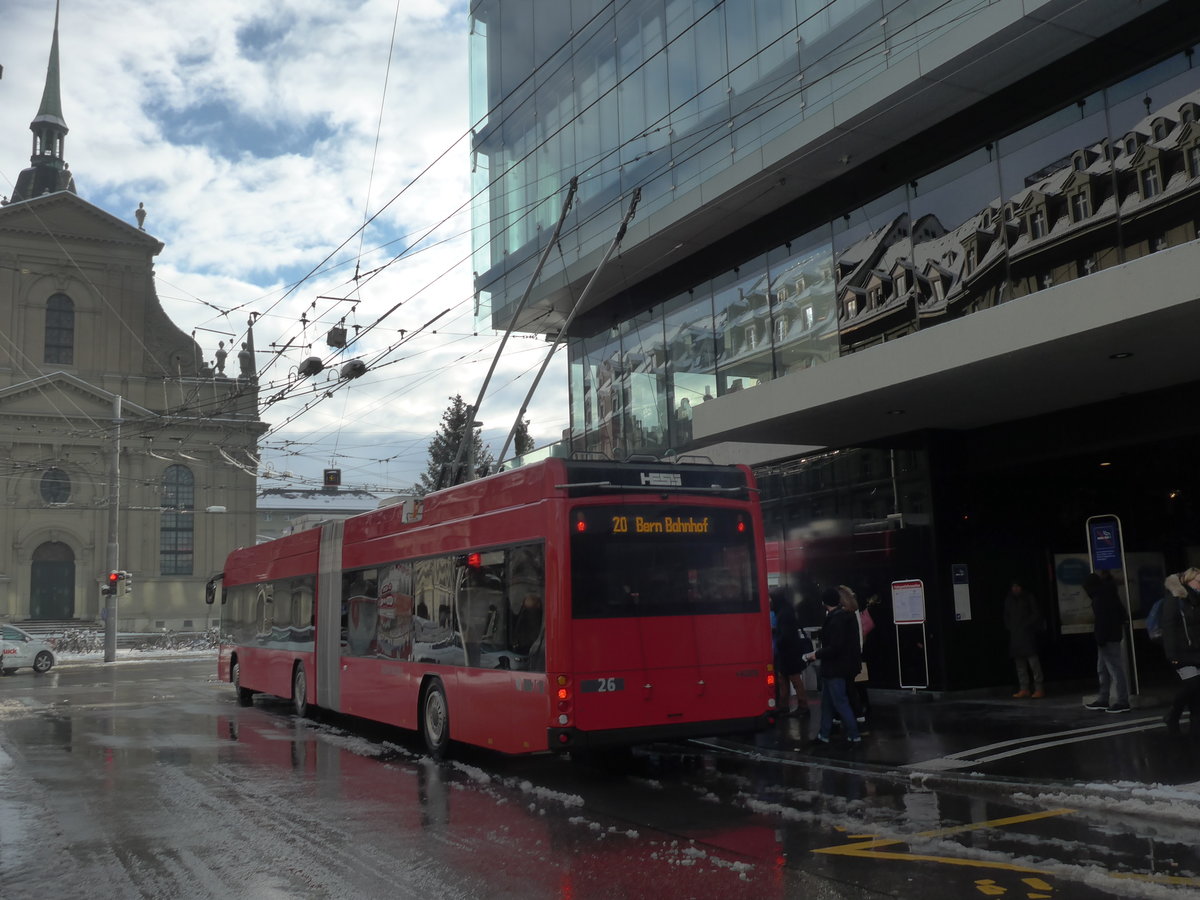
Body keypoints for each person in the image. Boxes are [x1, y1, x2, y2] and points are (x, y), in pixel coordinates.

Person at [803, 587, 862, 744]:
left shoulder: (836, 619)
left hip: (834, 668)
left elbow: (835, 647)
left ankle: (854, 735)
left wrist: (816, 654)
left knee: (840, 703)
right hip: (836, 668)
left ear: (824, 602)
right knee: (827, 704)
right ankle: (824, 734)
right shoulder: (844, 616)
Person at [1081, 572, 1130, 712]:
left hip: (1107, 638)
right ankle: (1104, 699)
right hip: (1112, 636)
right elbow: (1121, 613)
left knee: (1113, 669)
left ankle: (1121, 701)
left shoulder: (1099, 598)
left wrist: (1101, 638)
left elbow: (1102, 621)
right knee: (1105, 668)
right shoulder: (1109, 594)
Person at [1161, 567, 1200, 735]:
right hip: (1182, 652)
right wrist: (1172, 656)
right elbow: (1169, 628)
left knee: (1197, 687)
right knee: (1193, 683)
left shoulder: (1196, 600)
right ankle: (1174, 713)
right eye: (1198, 581)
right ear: (1188, 581)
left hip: (1196, 650)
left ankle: (1195, 718)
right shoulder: (1175, 599)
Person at [770, 587, 809, 715]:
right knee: (788, 678)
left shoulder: (783, 613)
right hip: (790, 651)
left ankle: (798, 706)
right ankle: (793, 706)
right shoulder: (786, 610)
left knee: (791, 679)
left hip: (788, 652)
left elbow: (785, 634)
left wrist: (778, 640)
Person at [1003, 581, 1044, 698]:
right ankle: (1024, 688)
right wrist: (1011, 627)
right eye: (1013, 586)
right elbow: (1006, 615)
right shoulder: (1009, 600)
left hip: (1027, 634)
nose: (1015, 588)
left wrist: (1027, 625)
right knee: (1020, 665)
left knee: (1033, 664)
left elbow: (1036, 613)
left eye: (1017, 586)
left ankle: (1039, 688)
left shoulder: (1028, 597)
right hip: (1016, 635)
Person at [838, 584, 870, 725]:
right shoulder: (854, 609)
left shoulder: (844, 613)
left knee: (849, 685)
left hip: (849, 654)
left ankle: (856, 712)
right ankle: (861, 709)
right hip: (856, 652)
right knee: (855, 683)